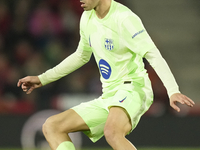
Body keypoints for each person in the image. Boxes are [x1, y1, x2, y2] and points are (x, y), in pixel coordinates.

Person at [17, 0, 195, 150]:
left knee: (112, 132)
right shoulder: (87, 17)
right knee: (52, 126)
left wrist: (172, 90)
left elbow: (152, 54)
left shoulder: (125, 18)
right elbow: (81, 55)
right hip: (109, 95)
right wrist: (43, 78)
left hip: (133, 88)